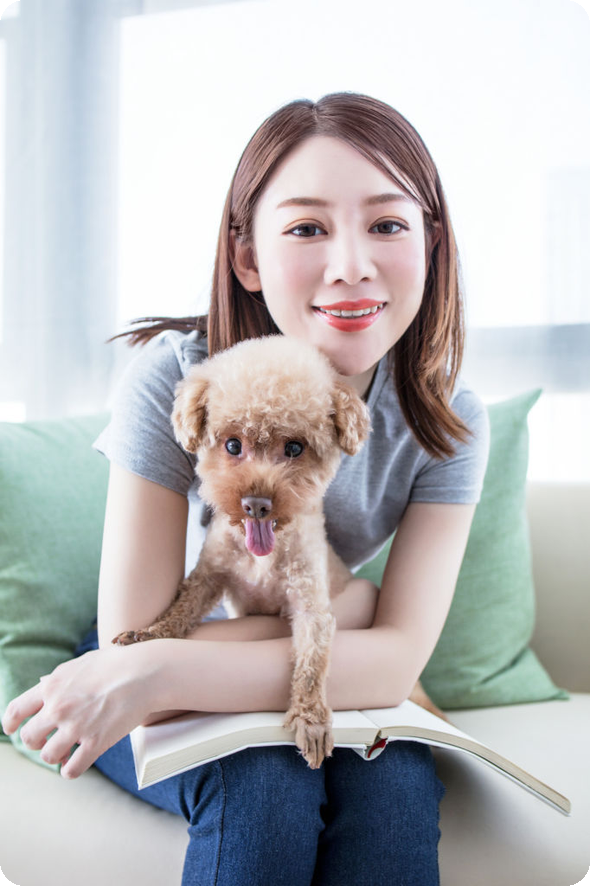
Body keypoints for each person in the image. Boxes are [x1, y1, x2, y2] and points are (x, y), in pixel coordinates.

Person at [2, 92, 489, 885]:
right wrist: (355, 620)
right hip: (176, 632)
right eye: (306, 228)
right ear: (246, 257)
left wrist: (163, 670)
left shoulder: (448, 419)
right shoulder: (179, 378)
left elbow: (396, 665)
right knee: (262, 785)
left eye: (387, 224)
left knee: (397, 790)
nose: (351, 265)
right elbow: (132, 643)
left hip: (232, 641)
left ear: (432, 243)